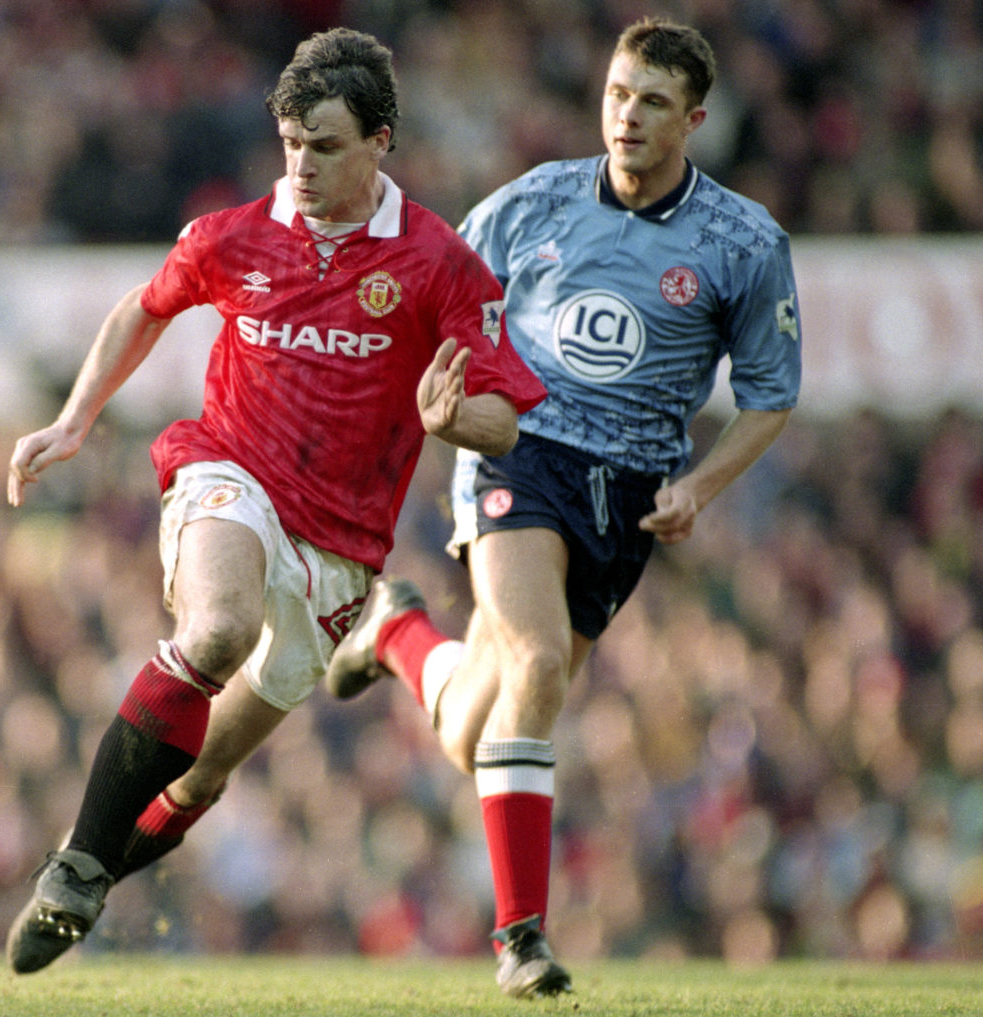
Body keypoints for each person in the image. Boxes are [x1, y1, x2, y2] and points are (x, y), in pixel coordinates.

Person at [2, 27, 546, 975]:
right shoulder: (235, 233)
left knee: (209, 766)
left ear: (381, 141)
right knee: (214, 631)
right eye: (290, 142)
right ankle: (77, 867)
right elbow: (147, 304)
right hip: (230, 472)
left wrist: (454, 419)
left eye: (324, 145)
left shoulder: (438, 264)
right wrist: (75, 419)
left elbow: (503, 417)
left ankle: (98, 875)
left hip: (341, 549)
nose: (300, 165)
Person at [323, 16, 802, 999]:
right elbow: (436, 305)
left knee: (478, 725)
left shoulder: (744, 243)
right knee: (538, 661)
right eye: (619, 94)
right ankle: (520, 939)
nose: (627, 115)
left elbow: (770, 397)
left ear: (694, 119)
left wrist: (698, 488)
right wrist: (435, 403)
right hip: (521, 456)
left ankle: (399, 632)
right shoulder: (531, 201)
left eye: (654, 102)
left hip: (631, 496)